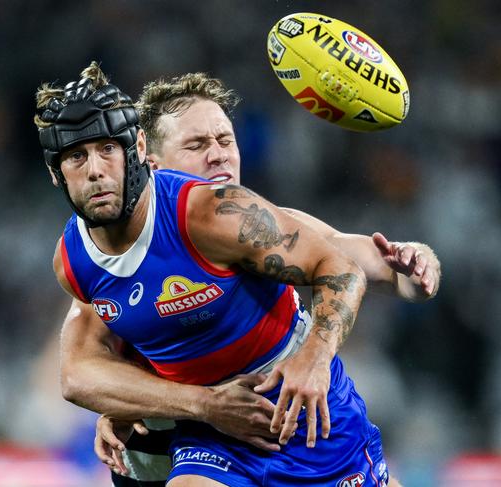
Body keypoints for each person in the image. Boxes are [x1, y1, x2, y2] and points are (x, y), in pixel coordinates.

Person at [37, 63, 435, 487]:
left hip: (302, 412)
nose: (219, 154)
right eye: (197, 143)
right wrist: (153, 403)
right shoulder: (81, 259)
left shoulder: (225, 215)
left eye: (225, 140)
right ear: (149, 157)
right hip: (210, 431)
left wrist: (415, 266)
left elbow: (357, 265)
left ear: (131, 151)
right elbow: (81, 371)